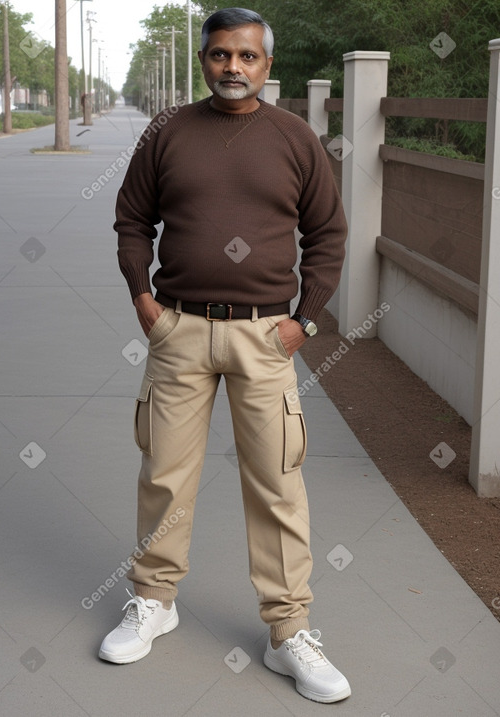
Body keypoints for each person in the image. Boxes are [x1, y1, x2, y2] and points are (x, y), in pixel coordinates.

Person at [99, 7, 350, 704]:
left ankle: (288, 630)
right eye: (219, 55)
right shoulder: (167, 132)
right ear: (205, 61)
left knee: (277, 482)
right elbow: (131, 217)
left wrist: (305, 318)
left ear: (268, 66)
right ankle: (154, 599)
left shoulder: (296, 139)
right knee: (165, 474)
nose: (232, 68)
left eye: (246, 56)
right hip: (178, 331)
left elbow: (327, 233)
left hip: (265, 338)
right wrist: (143, 298)